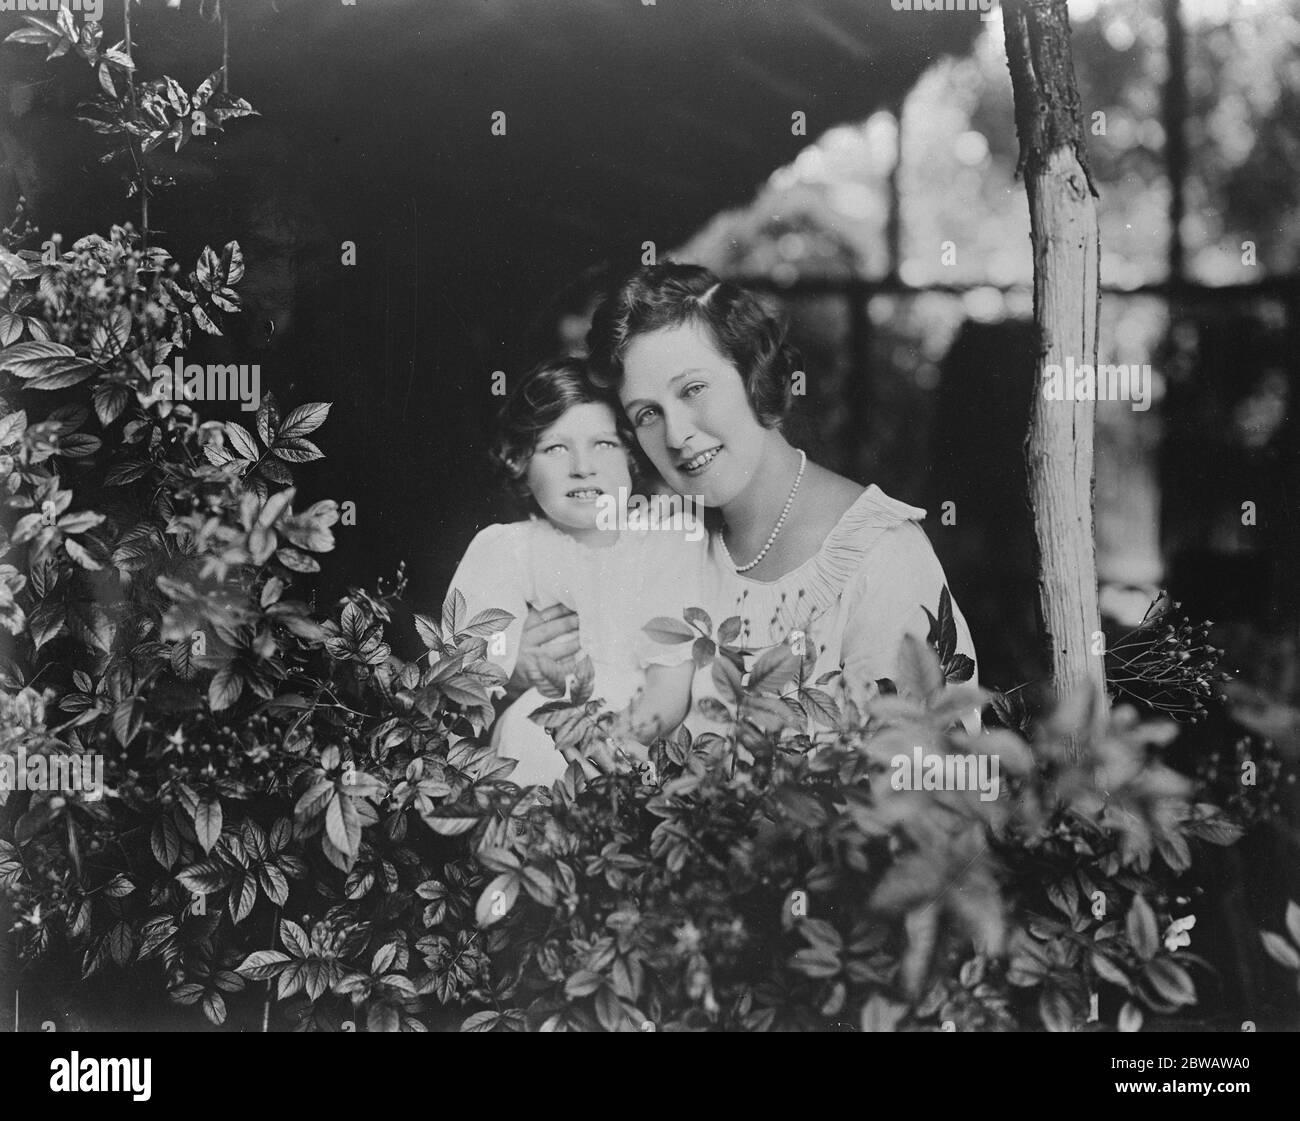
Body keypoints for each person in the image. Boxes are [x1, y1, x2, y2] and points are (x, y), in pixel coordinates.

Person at [582, 261, 979, 726]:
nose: (676, 435)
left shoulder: (881, 554)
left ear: (753, 374)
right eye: (647, 413)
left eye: (693, 389)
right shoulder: (664, 545)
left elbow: (928, 770)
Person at [444, 357, 702, 786]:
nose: (582, 466)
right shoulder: (510, 549)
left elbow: (672, 678)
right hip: (541, 734)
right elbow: (457, 662)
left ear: (631, 457)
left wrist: (616, 736)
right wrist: (510, 659)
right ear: (521, 464)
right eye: (555, 448)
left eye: (603, 444)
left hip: (638, 732)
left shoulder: (666, 540)